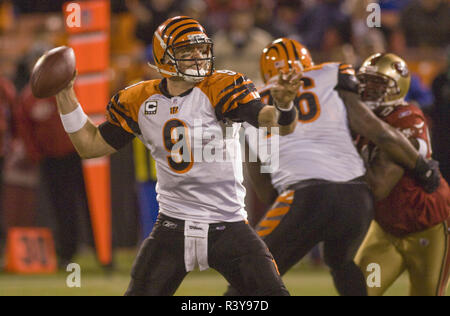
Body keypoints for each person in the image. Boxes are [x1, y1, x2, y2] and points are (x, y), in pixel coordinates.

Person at [54, 16, 302, 296]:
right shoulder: (139, 100)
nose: (198, 57)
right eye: (186, 51)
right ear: (164, 57)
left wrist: (284, 104)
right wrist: (64, 94)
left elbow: (275, 122)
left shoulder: (220, 87)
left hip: (228, 225)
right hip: (172, 227)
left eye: (200, 49)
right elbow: (90, 146)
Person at [224, 38, 441, 296]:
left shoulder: (252, 103)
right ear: (307, 61)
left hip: (304, 193)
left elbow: (262, 185)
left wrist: (296, 217)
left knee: (247, 274)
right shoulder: (330, 74)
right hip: (357, 196)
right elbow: (375, 129)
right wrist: (422, 167)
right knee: (341, 263)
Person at [354, 53, 450, 296]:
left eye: (378, 83)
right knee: (358, 291)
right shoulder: (359, 118)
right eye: (365, 81)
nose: (368, 89)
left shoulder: (407, 119)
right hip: (386, 229)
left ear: (398, 87)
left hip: (428, 227)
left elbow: (379, 186)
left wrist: (344, 153)